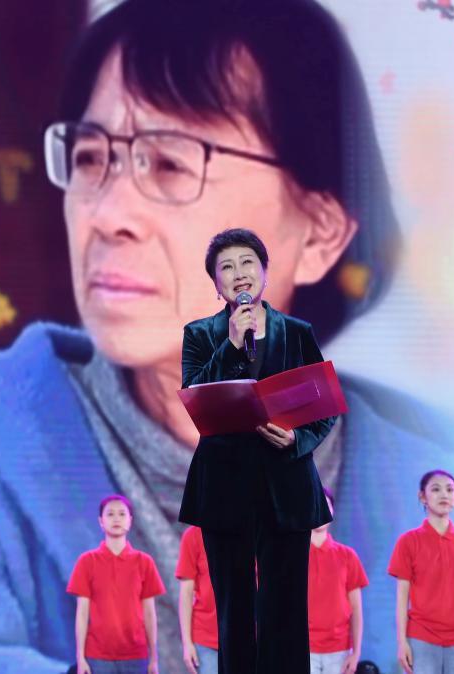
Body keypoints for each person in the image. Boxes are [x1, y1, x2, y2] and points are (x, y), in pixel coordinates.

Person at [0, 1, 454, 671]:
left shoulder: (450, 486)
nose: (108, 214)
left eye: (168, 165)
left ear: (318, 234)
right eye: (90, 157)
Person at [178, 227, 336, 674]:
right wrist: (231, 344)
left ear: (265, 272)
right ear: (216, 284)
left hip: (285, 484)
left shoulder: (298, 333)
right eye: (226, 267)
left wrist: (298, 439)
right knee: (234, 608)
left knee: (285, 608)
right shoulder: (200, 334)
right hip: (224, 486)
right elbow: (195, 398)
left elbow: (324, 408)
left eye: (247, 262)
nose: (239, 273)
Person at [388, 470, 454, 674]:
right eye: (436, 489)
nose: (444, 494)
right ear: (422, 497)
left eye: (450, 490)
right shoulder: (408, 541)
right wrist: (402, 642)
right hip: (421, 637)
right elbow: (402, 597)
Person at [68, 495, 165, 674]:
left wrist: (154, 658)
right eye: (110, 514)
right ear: (101, 521)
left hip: (136, 655)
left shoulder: (144, 562)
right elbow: (82, 613)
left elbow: (149, 613)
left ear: (130, 521)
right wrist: (80, 658)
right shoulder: (87, 562)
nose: (116, 519)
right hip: (97, 656)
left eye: (122, 514)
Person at [308, 489, 367, 674]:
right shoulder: (292, 557)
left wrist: (356, 653)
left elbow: (356, 609)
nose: (320, 510)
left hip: (339, 650)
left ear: (332, 511)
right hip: (301, 647)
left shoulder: (347, 556)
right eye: (313, 504)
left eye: (325, 505)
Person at [175, 526, 217, 674]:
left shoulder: (250, 529)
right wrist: (187, 643)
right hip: (206, 640)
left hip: (248, 638)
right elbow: (186, 593)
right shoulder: (193, 535)